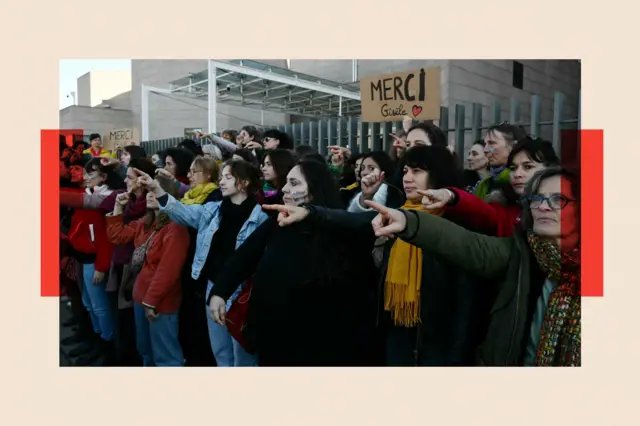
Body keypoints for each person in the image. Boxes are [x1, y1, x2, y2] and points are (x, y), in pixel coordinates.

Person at [262, 145, 478, 366]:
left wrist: (457, 357)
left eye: (417, 171)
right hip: (396, 329)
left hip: (437, 336)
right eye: (405, 171)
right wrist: (311, 212)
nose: (408, 178)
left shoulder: (456, 225)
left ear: (438, 174)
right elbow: (354, 221)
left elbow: (463, 302)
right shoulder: (397, 213)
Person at [365, 166, 581, 366]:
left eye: (558, 199)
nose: (543, 207)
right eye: (537, 199)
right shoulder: (520, 252)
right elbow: (467, 244)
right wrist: (408, 221)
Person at [207, 160, 381, 366]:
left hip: (323, 344)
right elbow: (244, 256)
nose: (286, 189)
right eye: (287, 182)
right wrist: (220, 291)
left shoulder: (339, 230)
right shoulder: (279, 222)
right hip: (275, 338)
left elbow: (369, 227)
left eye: (295, 183)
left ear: (314, 190)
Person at [140, 160, 268, 367]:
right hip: (213, 287)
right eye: (221, 178)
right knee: (220, 350)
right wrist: (156, 188)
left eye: (228, 177)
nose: (222, 182)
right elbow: (181, 212)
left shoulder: (261, 218)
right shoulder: (212, 210)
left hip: (242, 292)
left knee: (243, 355)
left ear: (243, 183)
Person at [106, 190, 190, 367]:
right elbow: (117, 235)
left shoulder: (176, 228)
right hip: (141, 296)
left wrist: (151, 301)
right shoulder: (147, 221)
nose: (150, 195)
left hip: (160, 302)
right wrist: (118, 206)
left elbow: (168, 271)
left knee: (166, 357)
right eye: (149, 191)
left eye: (156, 190)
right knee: (145, 350)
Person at [420, 137, 560, 238]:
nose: (517, 174)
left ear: (550, 169)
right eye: (513, 168)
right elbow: (482, 211)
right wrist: (451, 196)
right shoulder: (505, 210)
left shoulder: (572, 208)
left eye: (528, 167)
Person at [100, 158, 157, 366]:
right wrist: (117, 205)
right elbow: (115, 235)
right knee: (125, 324)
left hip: (137, 272)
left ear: (143, 180)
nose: (125, 181)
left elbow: (119, 235)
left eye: (130, 177)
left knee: (138, 332)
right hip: (123, 266)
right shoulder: (130, 202)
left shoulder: (149, 208)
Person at [474, 121, 526, 200]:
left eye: (492, 143)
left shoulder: (523, 181)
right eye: (485, 144)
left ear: (513, 146)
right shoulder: (483, 184)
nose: (485, 150)